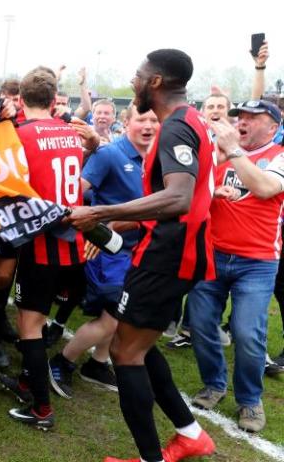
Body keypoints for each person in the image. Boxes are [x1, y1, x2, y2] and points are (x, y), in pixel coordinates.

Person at [68, 49, 216, 462]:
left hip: (168, 258)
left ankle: (152, 458)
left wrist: (100, 211)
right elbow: (185, 197)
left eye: (138, 75)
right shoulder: (189, 121)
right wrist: (125, 223)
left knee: (125, 352)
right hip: (174, 251)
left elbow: (179, 198)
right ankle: (189, 434)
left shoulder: (175, 128)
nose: (132, 82)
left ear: (155, 82)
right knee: (142, 346)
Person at [0, 67, 86, 430]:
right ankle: (25, 380)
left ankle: (41, 409)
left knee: (28, 325)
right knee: (38, 319)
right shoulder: (72, 134)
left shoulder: (19, 136)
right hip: (73, 243)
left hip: (40, 243)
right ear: (54, 100)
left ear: (20, 100)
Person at [49, 104, 159, 399]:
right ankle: (62, 361)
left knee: (122, 317)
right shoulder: (110, 154)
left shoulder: (157, 159)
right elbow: (75, 190)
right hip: (106, 250)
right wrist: (93, 226)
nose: (148, 125)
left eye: (154, 120)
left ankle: (97, 364)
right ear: (126, 122)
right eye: (141, 119)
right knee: (112, 317)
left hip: (137, 250)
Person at [190, 101, 284, 432]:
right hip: (212, 253)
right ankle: (214, 383)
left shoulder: (280, 154)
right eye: (240, 116)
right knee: (200, 324)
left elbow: (264, 187)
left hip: (257, 262)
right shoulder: (222, 151)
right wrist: (211, 191)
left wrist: (232, 151)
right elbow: (194, 186)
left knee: (247, 333)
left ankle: (249, 400)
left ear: (272, 127)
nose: (241, 122)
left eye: (252, 118)